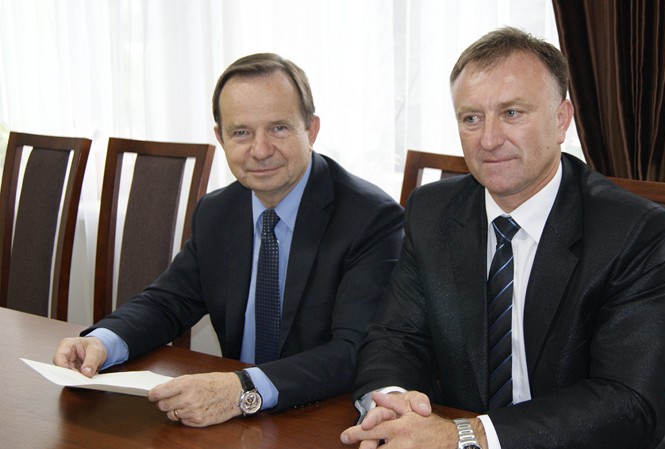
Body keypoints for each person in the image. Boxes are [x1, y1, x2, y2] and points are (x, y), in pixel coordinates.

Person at [340, 27, 665, 449]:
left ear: (561, 120)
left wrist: (467, 436)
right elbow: (396, 337)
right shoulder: (432, 212)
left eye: (512, 113)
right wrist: (392, 405)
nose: (489, 140)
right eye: (471, 118)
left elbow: (628, 401)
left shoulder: (634, 231)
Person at [53, 53, 404, 427]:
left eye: (279, 128)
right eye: (241, 133)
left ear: (311, 130)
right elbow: (168, 301)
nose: (260, 150)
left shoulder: (369, 218)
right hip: (231, 422)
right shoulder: (217, 211)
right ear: (220, 138)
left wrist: (242, 389)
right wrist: (102, 342)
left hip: (320, 417)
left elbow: (353, 350)